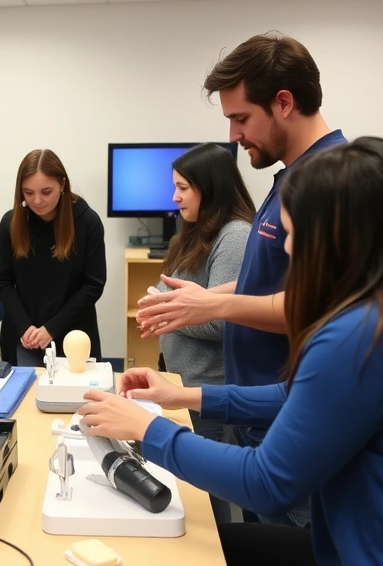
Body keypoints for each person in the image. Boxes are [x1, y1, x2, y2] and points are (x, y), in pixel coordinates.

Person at [80, 137, 383, 565]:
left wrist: (149, 430)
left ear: (343, 239)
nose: (288, 250)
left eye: (294, 235)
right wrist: (184, 396)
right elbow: (300, 395)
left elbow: (267, 483)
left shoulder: (364, 337)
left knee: (190, 549)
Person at [136, 33, 347, 527]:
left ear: (284, 103)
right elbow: (271, 282)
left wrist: (214, 306)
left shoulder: (331, 180)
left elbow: (317, 307)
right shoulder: (292, 176)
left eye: (241, 118)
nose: (233, 135)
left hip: (293, 428)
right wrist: (206, 297)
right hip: (263, 411)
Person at [155, 143, 255, 525]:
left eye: (183, 188)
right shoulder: (192, 233)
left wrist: (166, 311)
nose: (174, 197)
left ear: (209, 188)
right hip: (182, 385)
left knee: (207, 511)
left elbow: (223, 319)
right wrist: (163, 304)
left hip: (208, 392)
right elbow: (174, 294)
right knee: (190, 496)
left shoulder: (235, 236)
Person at [0, 149, 106, 367]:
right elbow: (3, 281)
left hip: (73, 337)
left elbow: (93, 285)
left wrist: (51, 328)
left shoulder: (87, 222)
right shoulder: (11, 223)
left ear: (62, 184)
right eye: (28, 192)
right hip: (23, 337)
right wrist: (25, 326)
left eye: (46, 192)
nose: (37, 201)